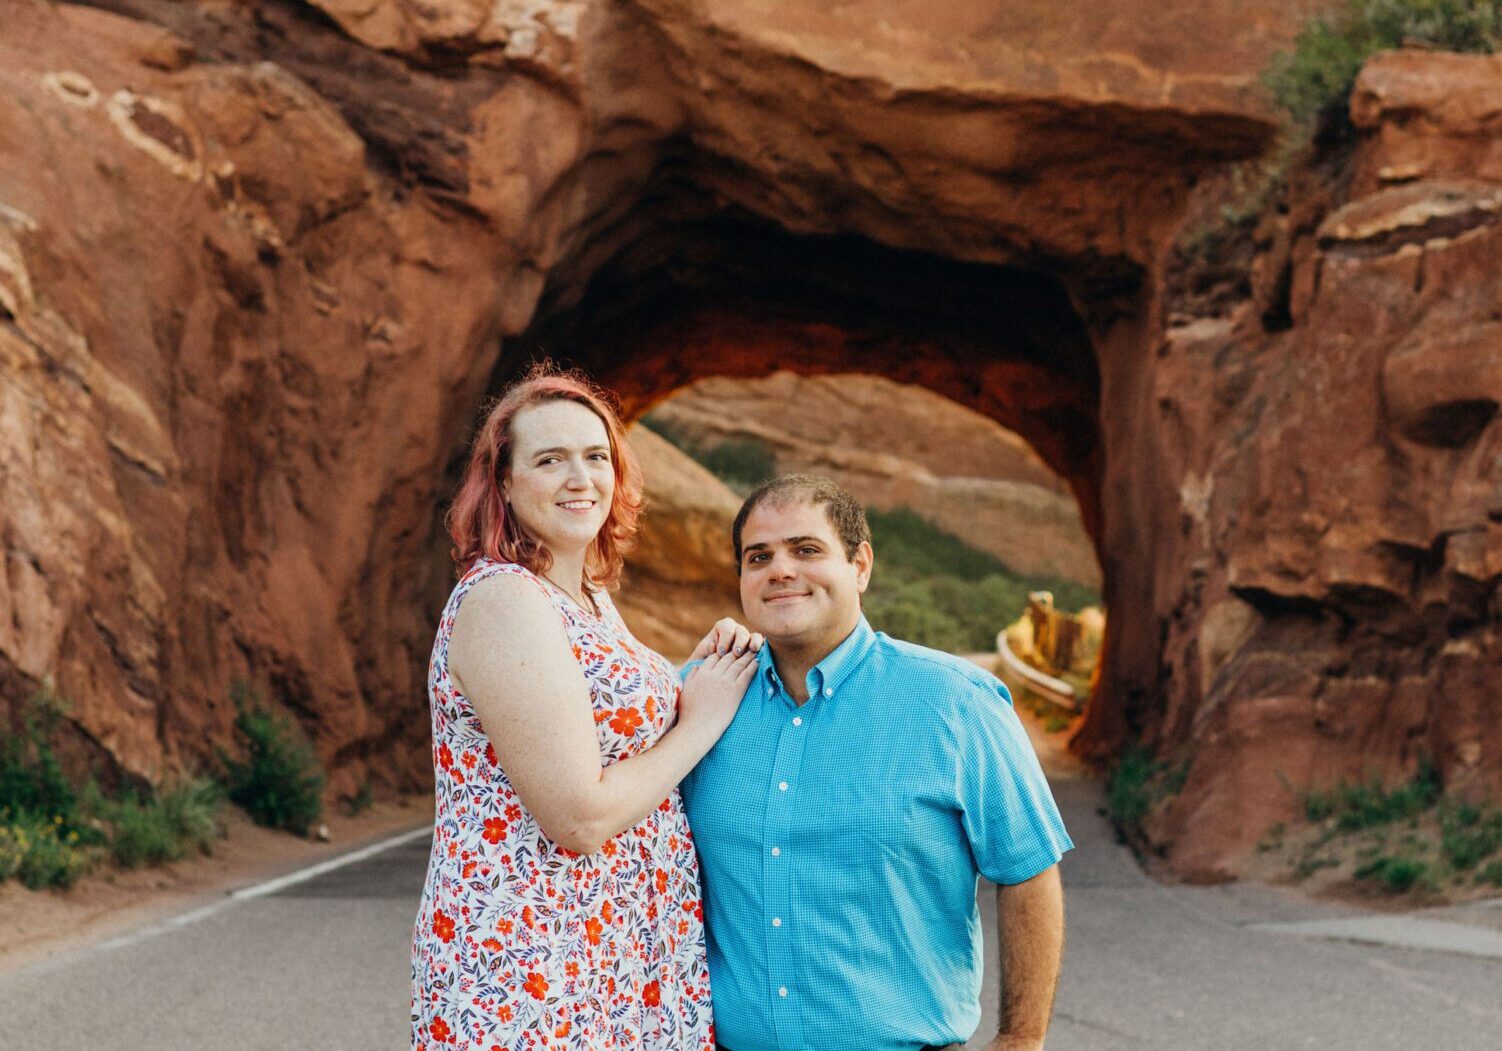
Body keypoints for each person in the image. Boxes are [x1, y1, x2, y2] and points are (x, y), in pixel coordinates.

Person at [411, 366, 762, 1051]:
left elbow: (614, 729)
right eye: (550, 459)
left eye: (595, 455)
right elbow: (579, 814)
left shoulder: (589, 600)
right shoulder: (505, 601)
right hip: (535, 964)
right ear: (504, 484)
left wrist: (696, 674)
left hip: (612, 951)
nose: (581, 477)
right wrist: (703, 719)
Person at [682, 475, 1072, 1051]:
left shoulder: (957, 702)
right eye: (757, 556)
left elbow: (1028, 869)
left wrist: (1020, 1038)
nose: (779, 570)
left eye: (806, 550)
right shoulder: (695, 699)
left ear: (860, 565)